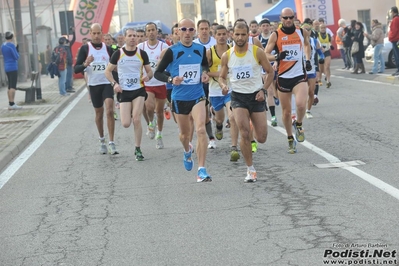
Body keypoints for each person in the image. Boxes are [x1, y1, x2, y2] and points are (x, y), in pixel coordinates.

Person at [154, 18, 212, 183]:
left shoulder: (200, 49)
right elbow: (158, 73)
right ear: (178, 31)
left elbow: (205, 66)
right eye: (184, 29)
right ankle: (187, 151)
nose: (187, 33)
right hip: (179, 97)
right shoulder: (171, 51)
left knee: (200, 130)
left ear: (195, 32)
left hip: (198, 95)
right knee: (184, 135)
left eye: (191, 30)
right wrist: (171, 80)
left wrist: (205, 73)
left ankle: (201, 169)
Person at [219, 22, 274, 182]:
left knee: (262, 137)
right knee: (243, 132)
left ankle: (252, 126)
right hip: (238, 97)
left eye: (243, 34)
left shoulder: (257, 52)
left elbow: (270, 72)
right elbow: (222, 76)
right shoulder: (227, 55)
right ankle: (250, 169)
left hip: (256, 96)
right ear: (232, 35)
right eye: (237, 34)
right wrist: (223, 85)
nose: (240, 37)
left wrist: (263, 90)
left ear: (248, 35)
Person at [265, 7, 312, 154]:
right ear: (281, 19)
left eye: (291, 17)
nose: (288, 20)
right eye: (285, 18)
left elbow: (306, 44)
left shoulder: (301, 31)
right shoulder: (275, 35)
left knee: (300, 104)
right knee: (285, 113)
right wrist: (277, 57)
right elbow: (265, 54)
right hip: (284, 77)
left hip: (299, 75)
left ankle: (298, 124)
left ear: (294, 17)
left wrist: (308, 58)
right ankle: (290, 138)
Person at [105, 27, 152, 161]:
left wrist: (147, 76)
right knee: (126, 123)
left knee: (136, 119)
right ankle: (132, 115)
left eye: (135, 36)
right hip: (124, 91)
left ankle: (137, 148)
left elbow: (150, 71)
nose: (132, 38)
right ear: (124, 38)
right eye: (130, 36)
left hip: (139, 90)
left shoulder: (142, 54)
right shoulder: (118, 54)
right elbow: (107, 72)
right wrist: (115, 84)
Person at [74, 23, 118, 155]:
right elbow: (76, 69)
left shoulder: (108, 49)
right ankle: (102, 139)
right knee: (99, 114)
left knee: (109, 111)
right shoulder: (84, 49)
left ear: (102, 34)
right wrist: (85, 63)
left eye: (99, 33)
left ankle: (111, 142)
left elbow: (114, 67)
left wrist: (116, 82)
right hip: (94, 85)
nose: (97, 36)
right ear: (90, 33)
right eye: (94, 33)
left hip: (106, 83)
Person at [206, 25, 240, 161]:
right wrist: (220, 73)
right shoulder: (210, 52)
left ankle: (234, 147)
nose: (221, 37)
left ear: (228, 35)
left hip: (231, 89)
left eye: (223, 34)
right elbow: (205, 71)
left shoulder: (233, 50)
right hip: (215, 90)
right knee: (219, 118)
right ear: (214, 36)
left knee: (232, 117)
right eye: (218, 34)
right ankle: (218, 127)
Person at [138, 22, 169, 149]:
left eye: (153, 30)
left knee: (160, 112)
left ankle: (159, 134)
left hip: (160, 82)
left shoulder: (164, 46)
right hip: (147, 82)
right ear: (146, 33)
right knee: (149, 107)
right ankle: (151, 123)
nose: (151, 32)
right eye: (148, 30)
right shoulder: (141, 47)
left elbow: (170, 63)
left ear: (157, 32)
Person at [193, 19, 218, 149]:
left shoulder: (216, 42)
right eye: (201, 29)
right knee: (204, 111)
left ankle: (218, 124)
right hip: (200, 82)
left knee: (217, 112)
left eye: (206, 28)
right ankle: (211, 137)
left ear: (209, 30)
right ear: (198, 30)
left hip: (216, 81)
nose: (204, 31)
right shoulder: (193, 44)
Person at [1, 31, 21, 110]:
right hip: (13, 67)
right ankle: (12, 103)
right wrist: (17, 50)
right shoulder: (11, 45)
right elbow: (16, 57)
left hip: (6, 67)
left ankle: (10, 102)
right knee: (13, 86)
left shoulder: (3, 45)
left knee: (9, 86)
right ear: (12, 37)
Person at [64, 27, 76, 93]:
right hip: (68, 63)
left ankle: (68, 87)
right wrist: (74, 32)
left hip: (67, 63)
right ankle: (68, 88)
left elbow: (73, 40)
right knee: (68, 76)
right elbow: (74, 39)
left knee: (68, 76)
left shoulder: (65, 47)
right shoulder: (67, 47)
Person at [389, 6, 399, 76]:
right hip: (395, 39)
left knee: (397, 55)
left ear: (393, 12)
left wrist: (390, 37)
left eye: (391, 12)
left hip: (395, 39)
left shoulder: (395, 19)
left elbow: (394, 30)